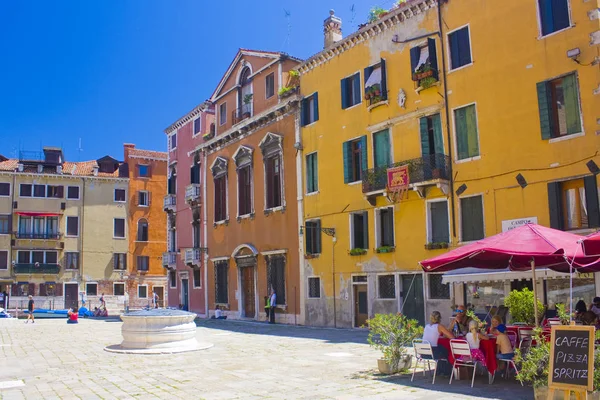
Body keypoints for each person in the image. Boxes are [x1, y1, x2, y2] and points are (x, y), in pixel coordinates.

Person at [422, 311, 454, 375]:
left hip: (423, 353)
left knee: (442, 349)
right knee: (448, 351)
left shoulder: (426, 326)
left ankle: (439, 370)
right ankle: (447, 372)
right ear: (440, 318)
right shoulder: (439, 326)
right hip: (433, 353)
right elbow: (451, 337)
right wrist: (451, 325)